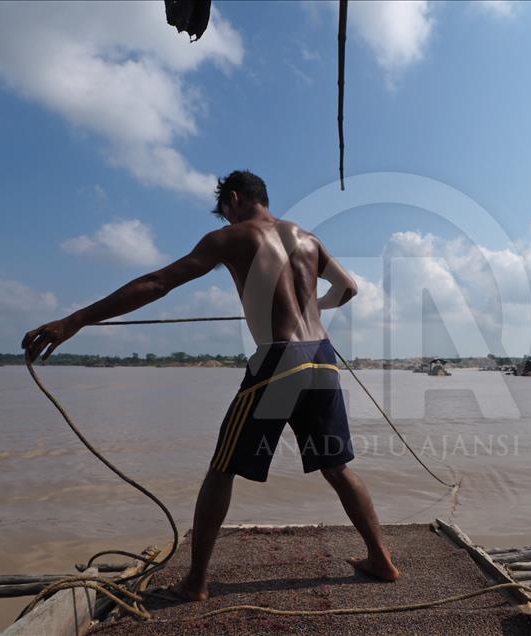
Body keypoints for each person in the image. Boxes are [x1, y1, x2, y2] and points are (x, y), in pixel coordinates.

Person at [22, 170, 400, 601]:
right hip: (323, 359)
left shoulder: (232, 238)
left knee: (222, 469)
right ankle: (381, 560)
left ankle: (195, 583)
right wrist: (313, 307)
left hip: (279, 362)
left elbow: (157, 283)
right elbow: (348, 287)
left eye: (225, 213)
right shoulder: (309, 239)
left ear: (233, 200)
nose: (225, 222)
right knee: (337, 467)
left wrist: (75, 320)